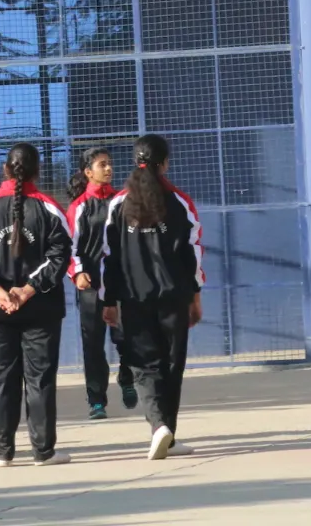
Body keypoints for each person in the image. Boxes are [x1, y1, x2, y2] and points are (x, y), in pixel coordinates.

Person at [0, 143, 72, 467]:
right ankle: (44, 451)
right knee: (40, 380)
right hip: (41, 309)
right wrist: (27, 290)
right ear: (38, 171)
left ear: (6, 169)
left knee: (1, 380)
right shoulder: (50, 208)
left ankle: (1, 452)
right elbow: (61, 255)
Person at [101, 134, 204, 461]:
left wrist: (108, 299)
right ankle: (166, 431)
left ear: (136, 161)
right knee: (171, 365)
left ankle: (160, 428)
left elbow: (109, 255)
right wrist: (196, 295)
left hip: (134, 298)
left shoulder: (119, 203)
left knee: (145, 366)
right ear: (165, 163)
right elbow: (193, 253)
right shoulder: (180, 201)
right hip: (174, 296)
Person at [67, 146, 136, 420]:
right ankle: (97, 400)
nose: (108, 169)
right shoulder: (80, 206)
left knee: (128, 338)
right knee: (93, 344)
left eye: (110, 163)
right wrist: (78, 273)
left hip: (121, 284)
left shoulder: (123, 201)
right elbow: (69, 247)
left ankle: (127, 378)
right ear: (88, 172)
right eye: (102, 164)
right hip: (92, 286)